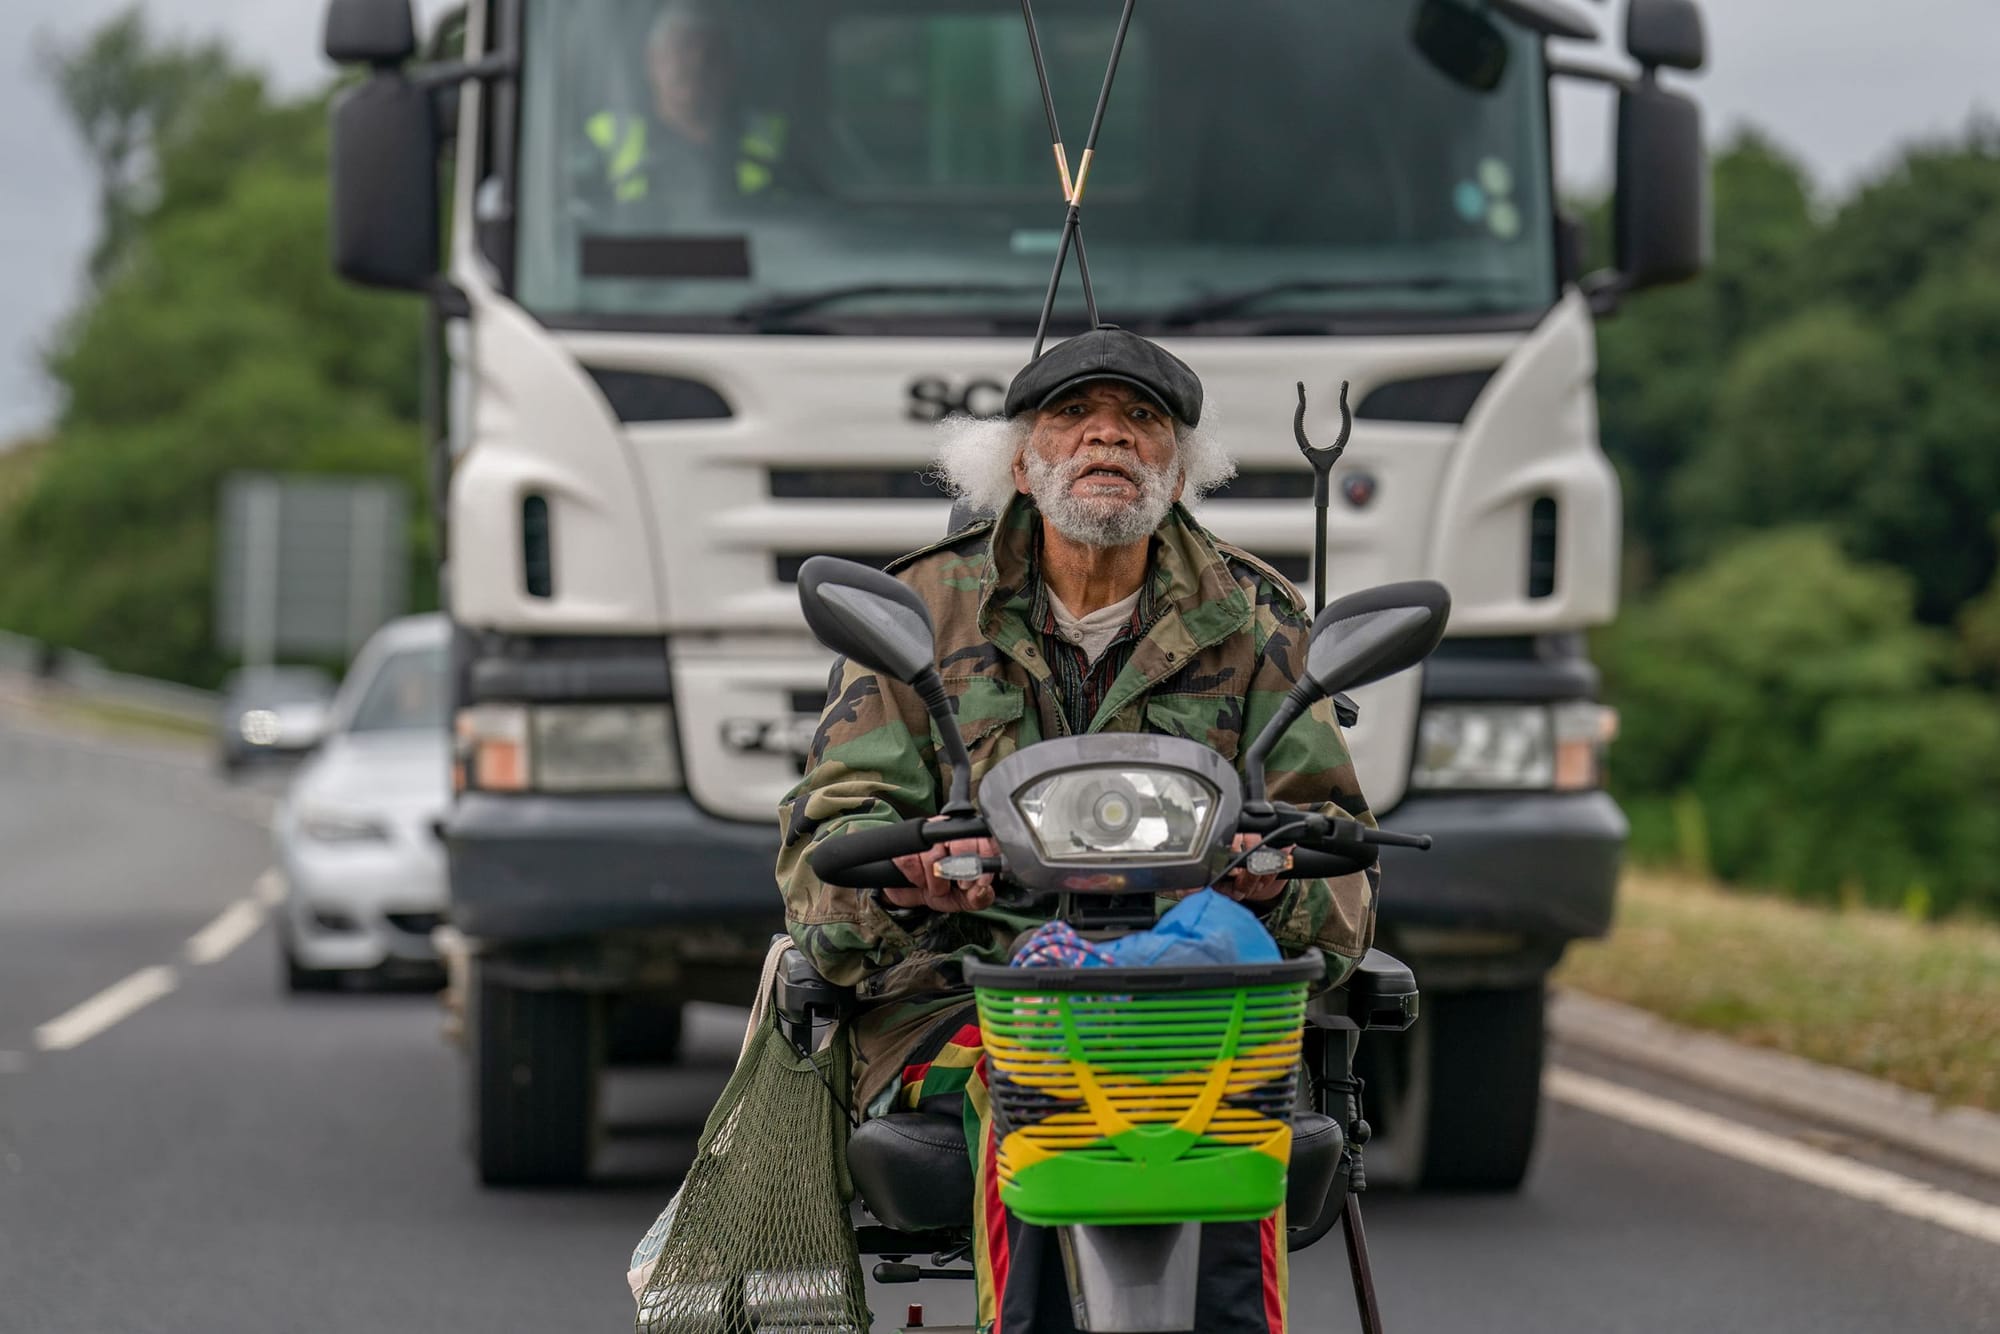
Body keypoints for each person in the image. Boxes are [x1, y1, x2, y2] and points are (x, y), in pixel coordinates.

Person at [776, 326, 1376, 1333]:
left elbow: (1341, 878)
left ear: (1179, 467)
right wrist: (904, 875)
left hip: (1194, 1008)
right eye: (1071, 416)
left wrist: (1273, 877)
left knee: (1238, 1110)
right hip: (966, 999)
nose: (1107, 437)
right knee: (1033, 1089)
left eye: (1141, 420)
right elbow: (822, 846)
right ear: (1018, 459)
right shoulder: (917, 608)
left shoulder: (1261, 616)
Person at [582, 0, 787, 211]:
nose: (696, 61)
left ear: (731, 66)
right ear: (653, 60)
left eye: (711, 51)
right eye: (682, 47)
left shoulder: (777, 142)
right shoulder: (603, 141)